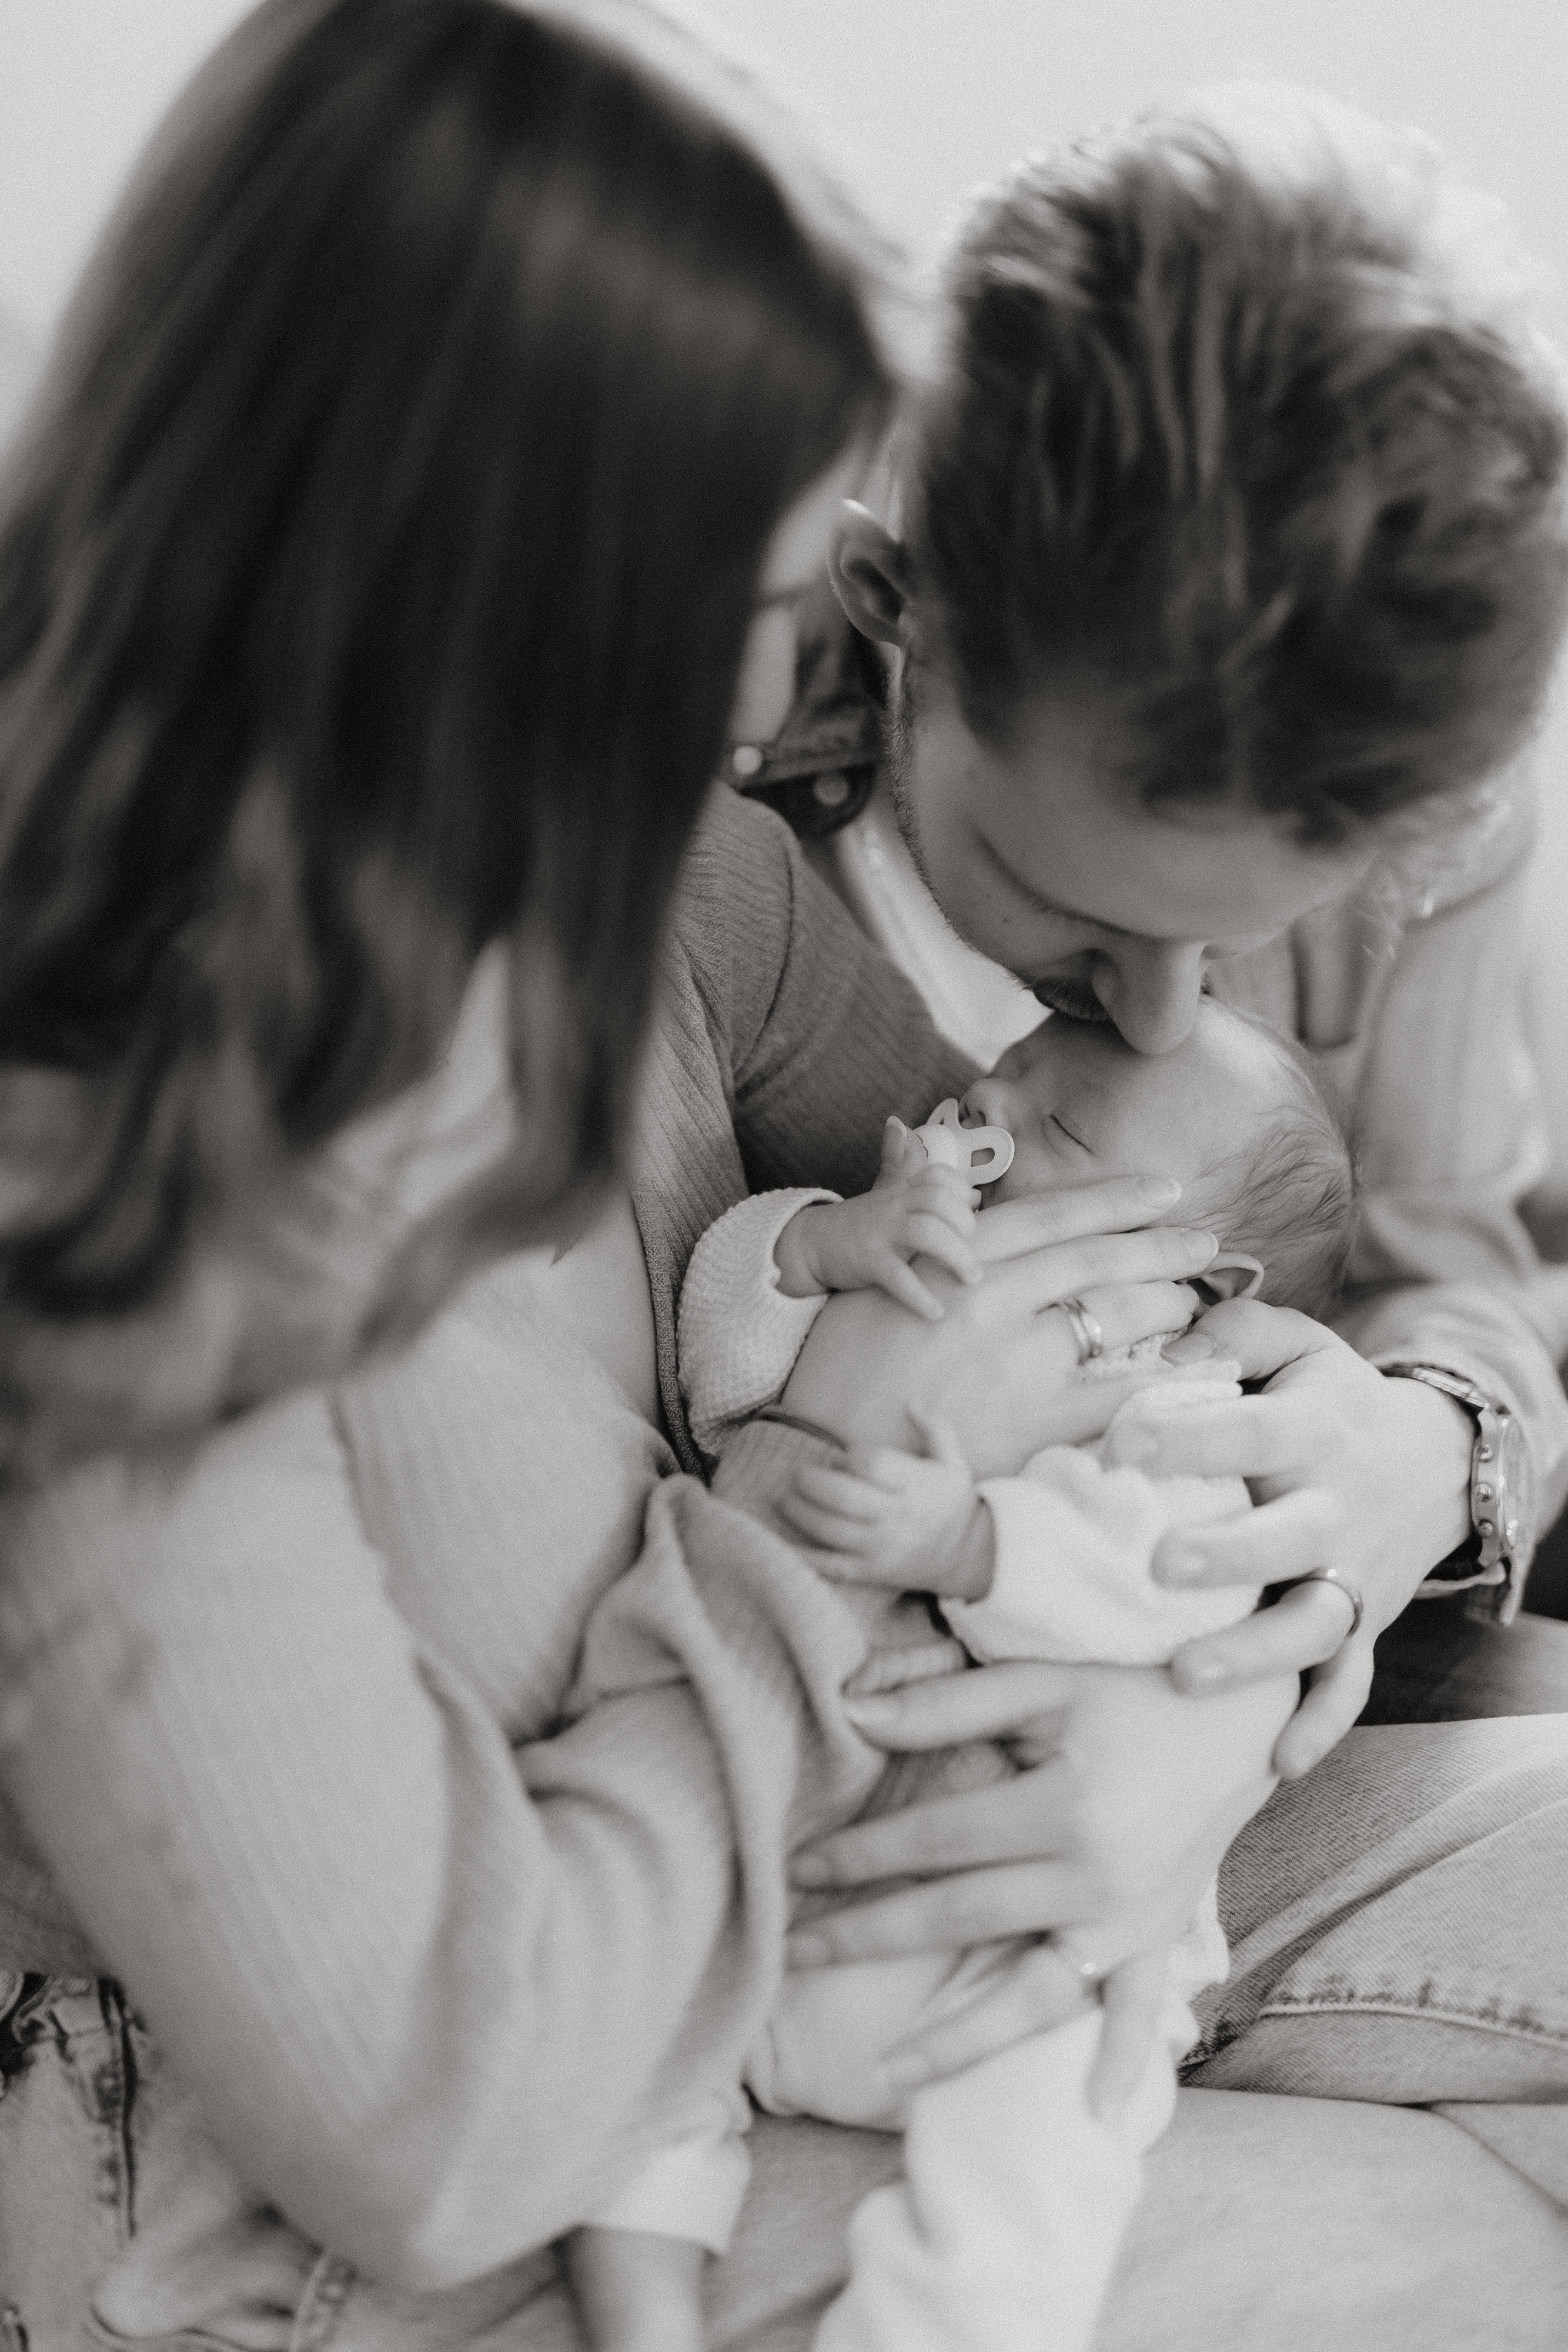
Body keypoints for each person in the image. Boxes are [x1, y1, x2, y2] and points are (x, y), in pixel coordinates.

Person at [0, 4, 1212, 2346]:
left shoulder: (615, 886)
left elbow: (1103, 1189)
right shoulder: (105, 1220)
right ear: (518, 607)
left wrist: (1344, 1510)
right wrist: (825, 1464)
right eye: (761, 611)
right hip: (336, 2188)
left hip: (789, 1858)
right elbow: (452, 2107)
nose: (778, 714)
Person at [567, 994, 1356, 2352]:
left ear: (1188, 1278)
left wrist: (975, 1538)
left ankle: (948, 2323)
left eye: (1052, 1121)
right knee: (620, 2032)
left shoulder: (1171, 1398)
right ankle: (639, 2302)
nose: (983, 1104)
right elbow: (718, 1370)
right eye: (1003, 1069)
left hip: (1002, 1969)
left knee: (1054, 2143)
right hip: (770, 1851)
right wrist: (815, 1246)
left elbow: (1178, 1573)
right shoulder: (874, 1269)